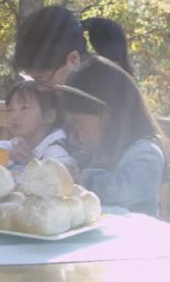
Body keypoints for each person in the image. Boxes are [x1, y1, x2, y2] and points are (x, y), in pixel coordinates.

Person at [60, 55, 165, 216]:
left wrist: (81, 180)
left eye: (79, 124)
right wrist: (64, 167)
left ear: (109, 115)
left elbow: (122, 192)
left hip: (138, 236)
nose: (74, 135)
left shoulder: (146, 152)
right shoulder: (101, 150)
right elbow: (77, 162)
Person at [13, 5, 133, 89]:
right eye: (30, 80)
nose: (36, 89)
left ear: (74, 60)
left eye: (41, 80)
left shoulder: (97, 108)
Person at [0, 80, 74, 169]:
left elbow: (62, 176)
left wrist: (32, 163)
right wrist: (7, 156)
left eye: (24, 108)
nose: (14, 116)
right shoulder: (19, 143)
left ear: (49, 116)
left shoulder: (55, 150)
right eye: (10, 110)